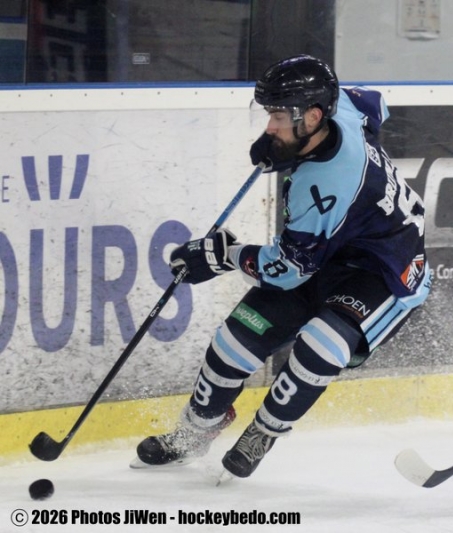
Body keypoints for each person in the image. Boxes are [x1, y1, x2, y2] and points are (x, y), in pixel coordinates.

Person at [132, 55, 431, 479]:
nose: (269, 126)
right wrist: (285, 148)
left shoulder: (324, 188)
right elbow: (375, 107)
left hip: (383, 271)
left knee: (321, 346)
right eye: (269, 114)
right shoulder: (340, 105)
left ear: (311, 117)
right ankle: (196, 430)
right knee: (231, 345)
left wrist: (223, 255)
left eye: (278, 117)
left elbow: (288, 270)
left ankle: (264, 432)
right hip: (329, 252)